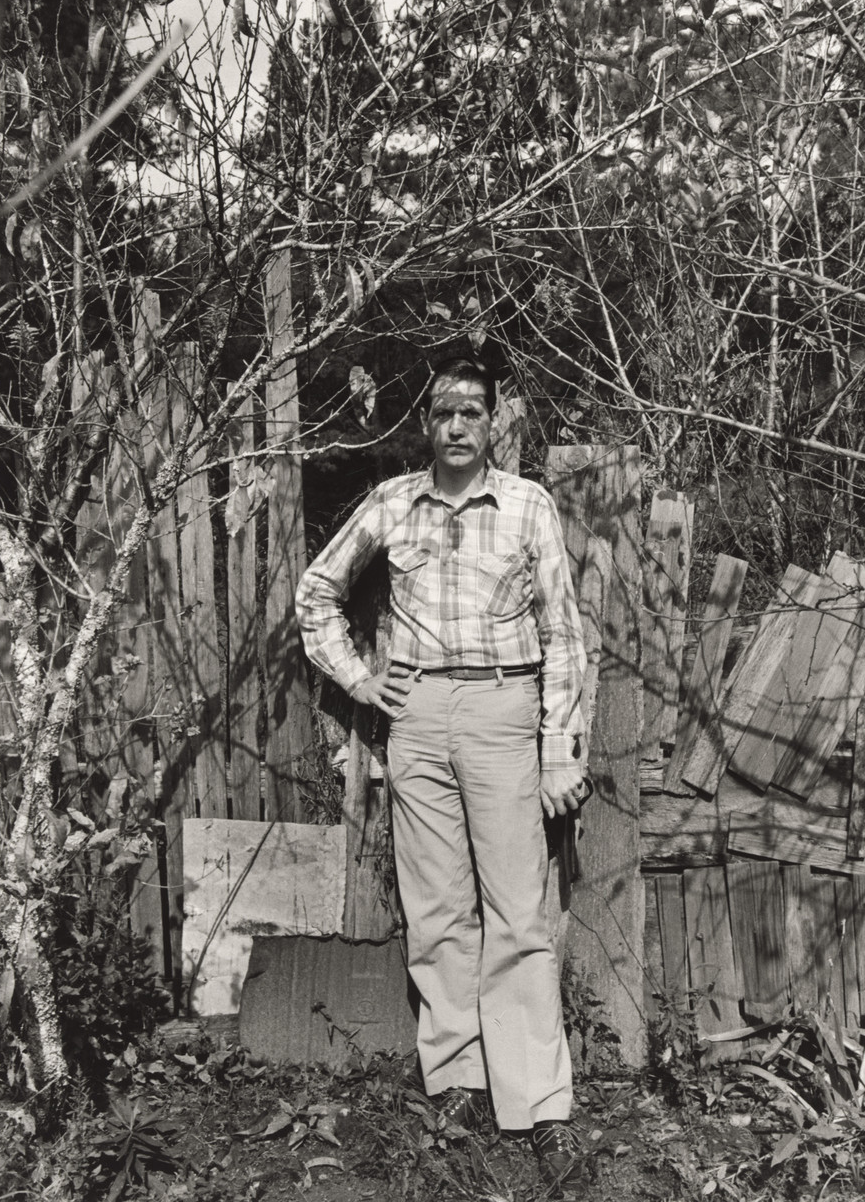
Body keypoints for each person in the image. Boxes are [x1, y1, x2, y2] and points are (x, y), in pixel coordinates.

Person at [295, 356, 588, 1195]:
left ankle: (538, 1104)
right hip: (418, 719)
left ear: (495, 423)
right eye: (443, 412)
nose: (458, 425)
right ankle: (457, 1085)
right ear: (425, 425)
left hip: (505, 713)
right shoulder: (392, 503)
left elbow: (565, 636)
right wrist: (360, 682)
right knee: (437, 910)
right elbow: (317, 594)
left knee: (518, 910)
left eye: (472, 411)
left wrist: (561, 748)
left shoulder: (528, 505)